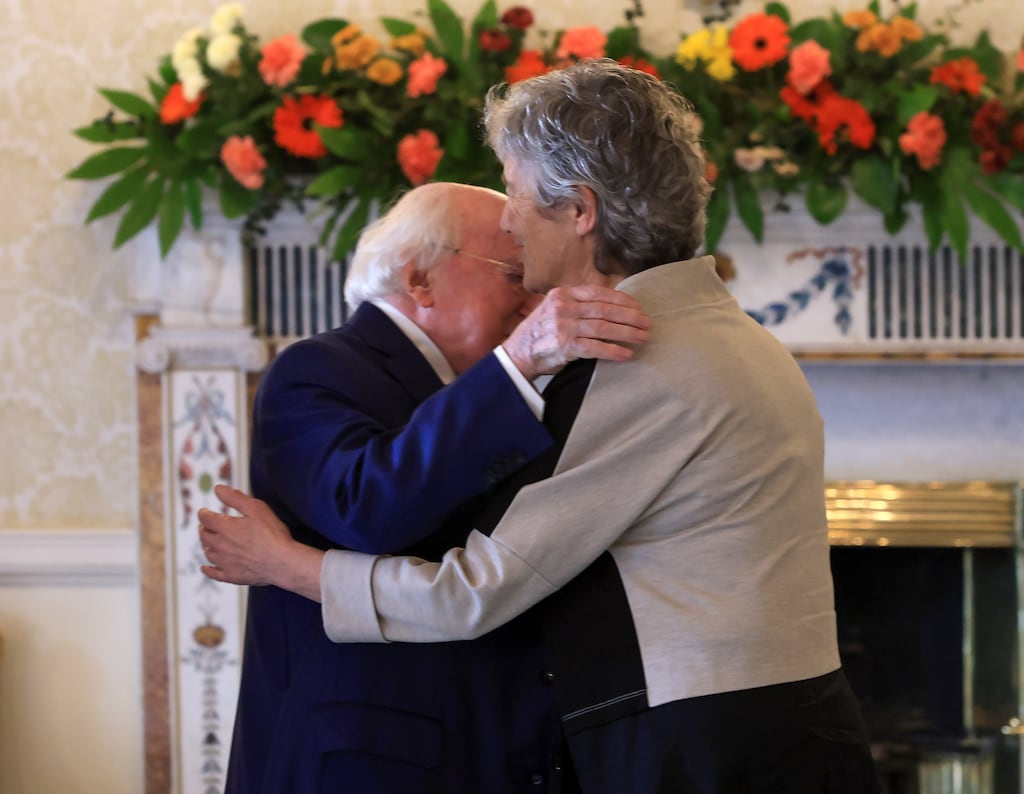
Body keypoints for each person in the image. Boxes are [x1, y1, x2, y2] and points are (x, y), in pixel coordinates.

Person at [202, 60, 881, 793]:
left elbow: (473, 592)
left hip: (711, 751)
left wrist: (284, 566)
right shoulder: (730, 333)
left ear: (580, 210)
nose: (512, 222)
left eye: (518, 195)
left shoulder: (642, 355)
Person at [223, 179, 650, 793]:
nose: (534, 299)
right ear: (419, 277)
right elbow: (367, 507)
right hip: (373, 762)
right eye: (514, 273)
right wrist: (519, 360)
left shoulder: (505, 388)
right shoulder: (317, 369)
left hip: (495, 749)